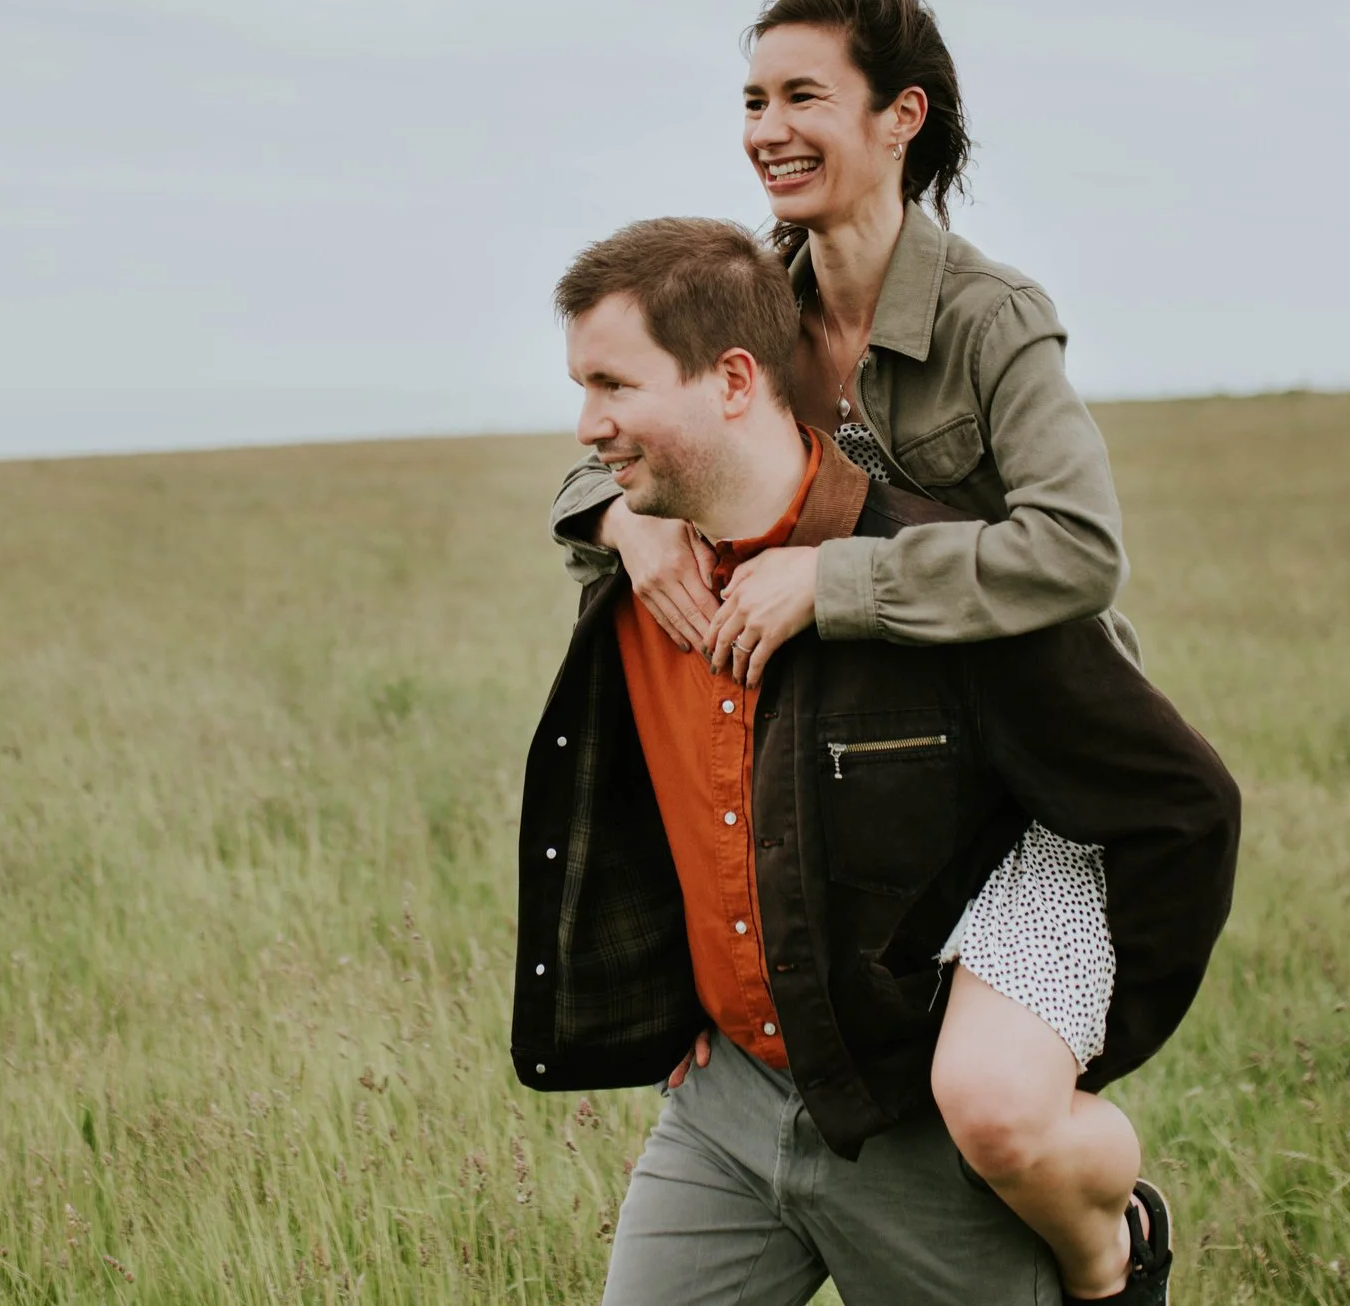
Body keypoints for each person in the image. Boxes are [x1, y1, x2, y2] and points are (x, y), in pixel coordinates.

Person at [549, 0, 1153, 1297]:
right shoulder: (749, 289)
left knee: (992, 1104)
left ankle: (1110, 1247)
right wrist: (619, 521)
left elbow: (1081, 549)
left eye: (803, 94)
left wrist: (839, 584)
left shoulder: (991, 315)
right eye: (753, 98)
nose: (766, 125)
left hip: (1015, 757)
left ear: (902, 116)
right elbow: (630, 430)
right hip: (845, 754)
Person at [515, 217, 1239, 1306]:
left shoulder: (938, 584)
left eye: (613, 385)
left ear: (732, 379)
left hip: (909, 1129)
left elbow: (1184, 807)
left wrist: (1054, 1072)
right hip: (722, 1110)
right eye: (581, 386)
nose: (587, 425)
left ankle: (1113, 1251)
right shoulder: (634, 574)